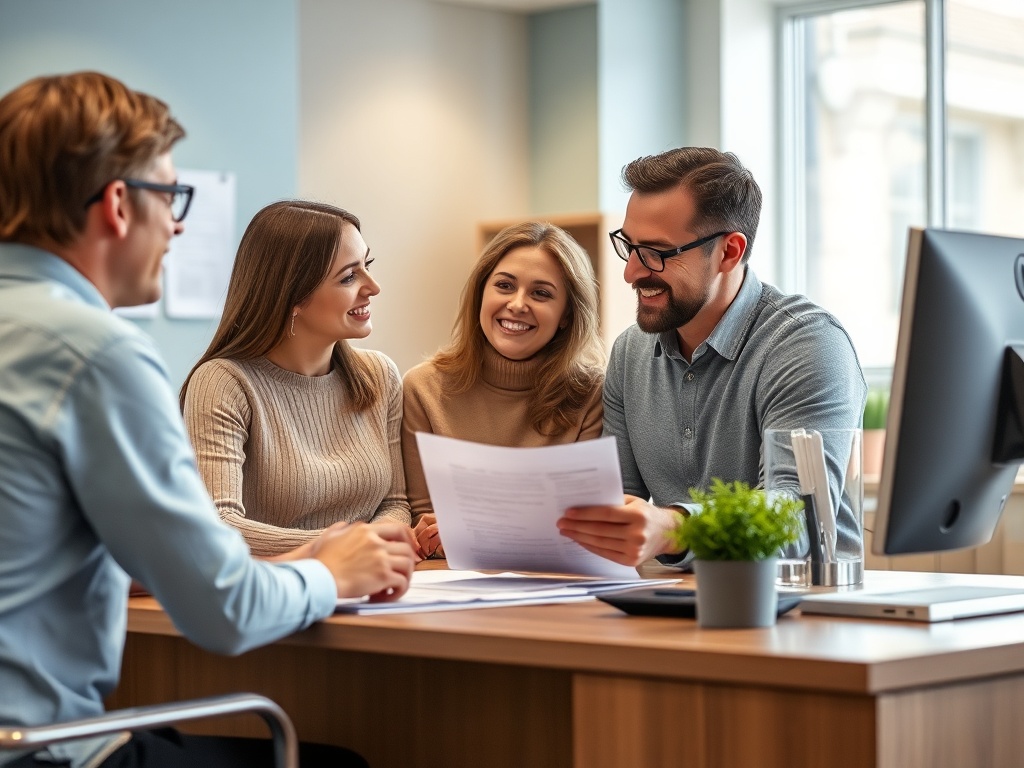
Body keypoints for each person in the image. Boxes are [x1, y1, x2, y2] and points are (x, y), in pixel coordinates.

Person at [0, 71, 416, 768]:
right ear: (117, 206)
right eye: (172, 196)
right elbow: (222, 610)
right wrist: (333, 571)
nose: (180, 223)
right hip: (37, 750)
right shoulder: (92, 353)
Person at [556, 147, 866, 568]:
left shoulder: (806, 345)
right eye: (628, 246)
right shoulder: (630, 352)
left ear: (729, 252)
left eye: (657, 253)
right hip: (678, 606)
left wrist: (677, 528)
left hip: (798, 609)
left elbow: (798, 516)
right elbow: (613, 505)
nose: (631, 272)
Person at [180, 200, 410, 557]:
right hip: (274, 593)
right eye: (349, 276)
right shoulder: (223, 383)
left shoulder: (379, 375)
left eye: (368, 266)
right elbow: (217, 523)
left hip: (369, 583)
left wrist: (368, 547)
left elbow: (397, 506)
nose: (373, 287)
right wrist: (345, 547)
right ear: (293, 296)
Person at [402, 221, 605, 558]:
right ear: (482, 292)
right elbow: (424, 526)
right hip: (449, 587)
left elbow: (580, 530)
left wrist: (466, 528)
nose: (517, 304)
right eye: (505, 285)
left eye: (541, 293)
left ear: (567, 314)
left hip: (556, 588)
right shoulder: (422, 388)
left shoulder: (591, 393)